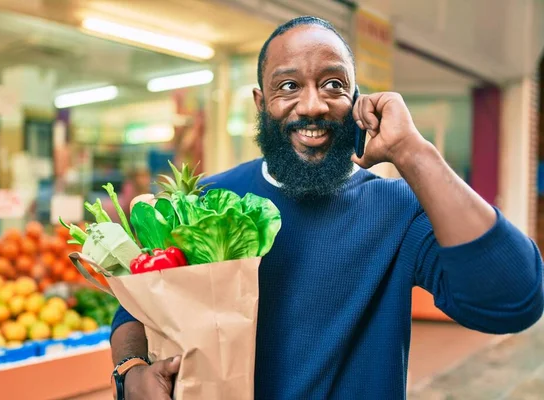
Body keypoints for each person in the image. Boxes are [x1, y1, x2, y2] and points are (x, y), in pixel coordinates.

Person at [109, 16, 544, 399]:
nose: (314, 105)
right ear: (262, 104)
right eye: (289, 86)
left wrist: (413, 152)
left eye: (333, 85)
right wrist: (130, 372)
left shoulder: (396, 209)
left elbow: (514, 299)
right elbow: (136, 308)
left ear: (357, 101)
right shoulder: (205, 202)